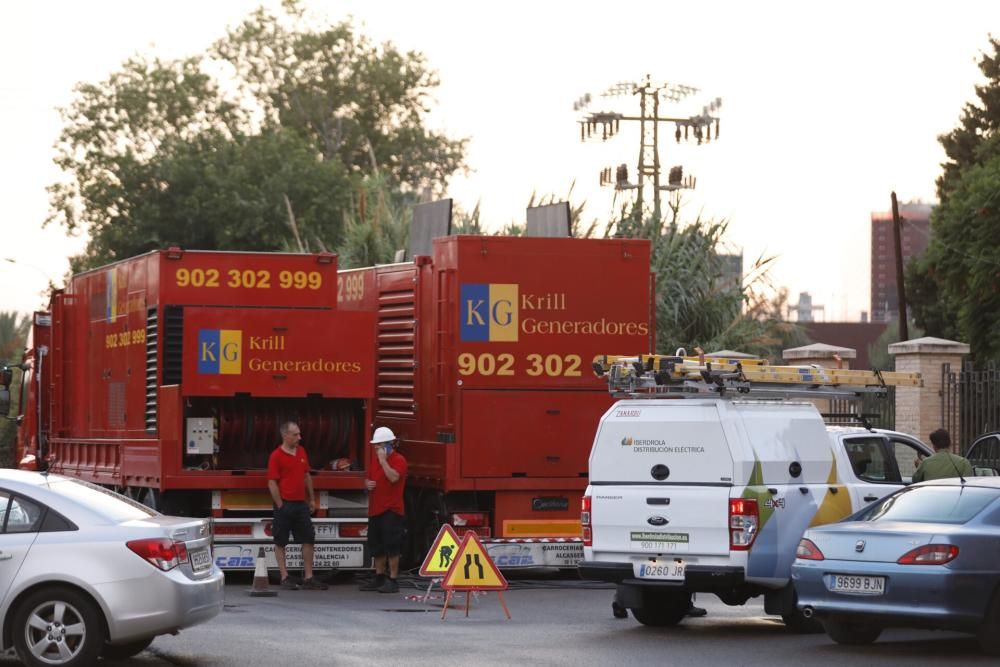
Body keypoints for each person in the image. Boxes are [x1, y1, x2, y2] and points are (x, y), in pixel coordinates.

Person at [267, 421, 327, 590]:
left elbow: (306, 476)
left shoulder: (301, 452)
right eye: (295, 435)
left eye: (299, 434)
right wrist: (280, 505)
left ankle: (309, 577)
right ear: (285, 435)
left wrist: (312, 499)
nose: (299, 437)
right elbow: (272, 482)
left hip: (301, 505)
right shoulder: (276, 456)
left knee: (308, 538)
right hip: (285, 505)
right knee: (280, 541)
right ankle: (285, 576)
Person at [359, 426, 408, 594]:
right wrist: (367, 484)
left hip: (391, 510)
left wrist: (383, 461)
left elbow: (393, 477)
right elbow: (371, 479)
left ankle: (393, 579)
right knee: (376, 545)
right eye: (375, 446)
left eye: (378, 446)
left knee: (392, 545)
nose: (375, 449)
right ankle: (379, 576)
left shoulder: (398, 460)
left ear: (388, 445)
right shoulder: (374, 461)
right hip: (376, 509)